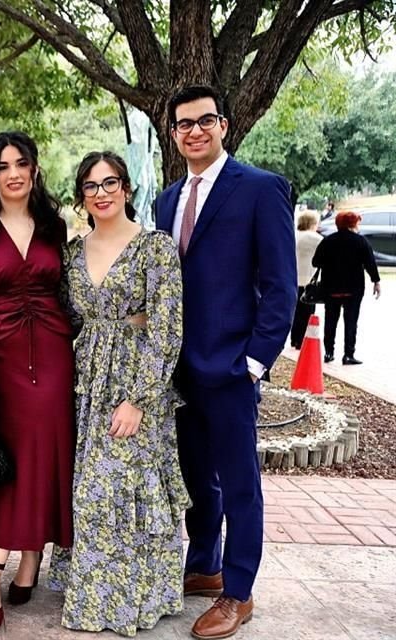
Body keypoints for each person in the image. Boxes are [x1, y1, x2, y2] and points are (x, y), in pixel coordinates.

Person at [154, 85, 296, 640]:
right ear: (174, 134)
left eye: (204, 121)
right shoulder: (167, 200)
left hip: (233, 368)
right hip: (180, 370)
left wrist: (256, 362)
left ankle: (239, 592)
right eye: (184, 124)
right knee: (195, 479)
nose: (194, 131)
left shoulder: (261, 190)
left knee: (239, 483)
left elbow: (280, 287)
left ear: (224, 126)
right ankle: (205, 564)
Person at [48, 151, 189, 636]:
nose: (101, 193)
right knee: (87, 491)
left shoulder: (155, 248)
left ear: (127, 189)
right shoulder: (71, 252)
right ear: (81, 196)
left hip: (134, 383)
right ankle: (92, 596)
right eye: (91, 186)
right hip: (85, 381)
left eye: (110, 183)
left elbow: (168, 329)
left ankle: (131, 600)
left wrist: (139, 399)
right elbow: (63, 318)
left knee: (121, 491)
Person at [0, 131, 74, 632]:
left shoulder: (54, 226)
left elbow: (69, 291)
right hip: (1, 360)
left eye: (22, 163)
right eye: (3, 165)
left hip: (53, 353)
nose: (13, 173)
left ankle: (32, 563)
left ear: (35, 168)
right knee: (14, 466)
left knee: (52, 458)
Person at [312, 210, 381, 365]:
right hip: (353, 288)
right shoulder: (360, 241)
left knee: (330, 320)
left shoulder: (328, 241)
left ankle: (329, 352)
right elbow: (370, 263)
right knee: (351, 321)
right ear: (353, 224)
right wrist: (376, 281)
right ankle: (348, 354)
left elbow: (315, 262)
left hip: (331, 288)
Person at [291, 211, 323, 349]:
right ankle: (301, 339)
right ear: (312, 223)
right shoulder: (316, 239)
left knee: (295, 311)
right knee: (307, 311)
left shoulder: (293, 236)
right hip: (308, 280)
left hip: (292, 278)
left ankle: (293, 338)